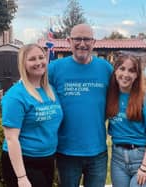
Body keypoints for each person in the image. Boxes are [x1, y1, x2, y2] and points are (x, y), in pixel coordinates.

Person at [48, 24, 113, 187]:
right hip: (66, 152)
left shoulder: (105, 69)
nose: (82, 43)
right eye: (77, 39)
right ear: (69, 41)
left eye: (87, 39)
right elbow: (33, 90)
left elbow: (121, 96)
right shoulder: (54, 69)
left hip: (97, 151)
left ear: (94, 42)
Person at [1, 44, 63, 187]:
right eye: (32, 59)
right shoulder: (15, 95)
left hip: (47, 158)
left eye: (41, 57)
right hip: (25, 162)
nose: (38, 62)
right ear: (23, 64)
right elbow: (11, 139)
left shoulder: (50, 90)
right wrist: (21, 177)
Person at [106, 53, 146, 187]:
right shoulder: (111, 95)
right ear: (115, 70)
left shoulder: (145, 97)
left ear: (137, 75)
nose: (125, 74)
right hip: (118, 159)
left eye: (131, 70)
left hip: (142, 156)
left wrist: (145, 167)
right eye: (122, 68)